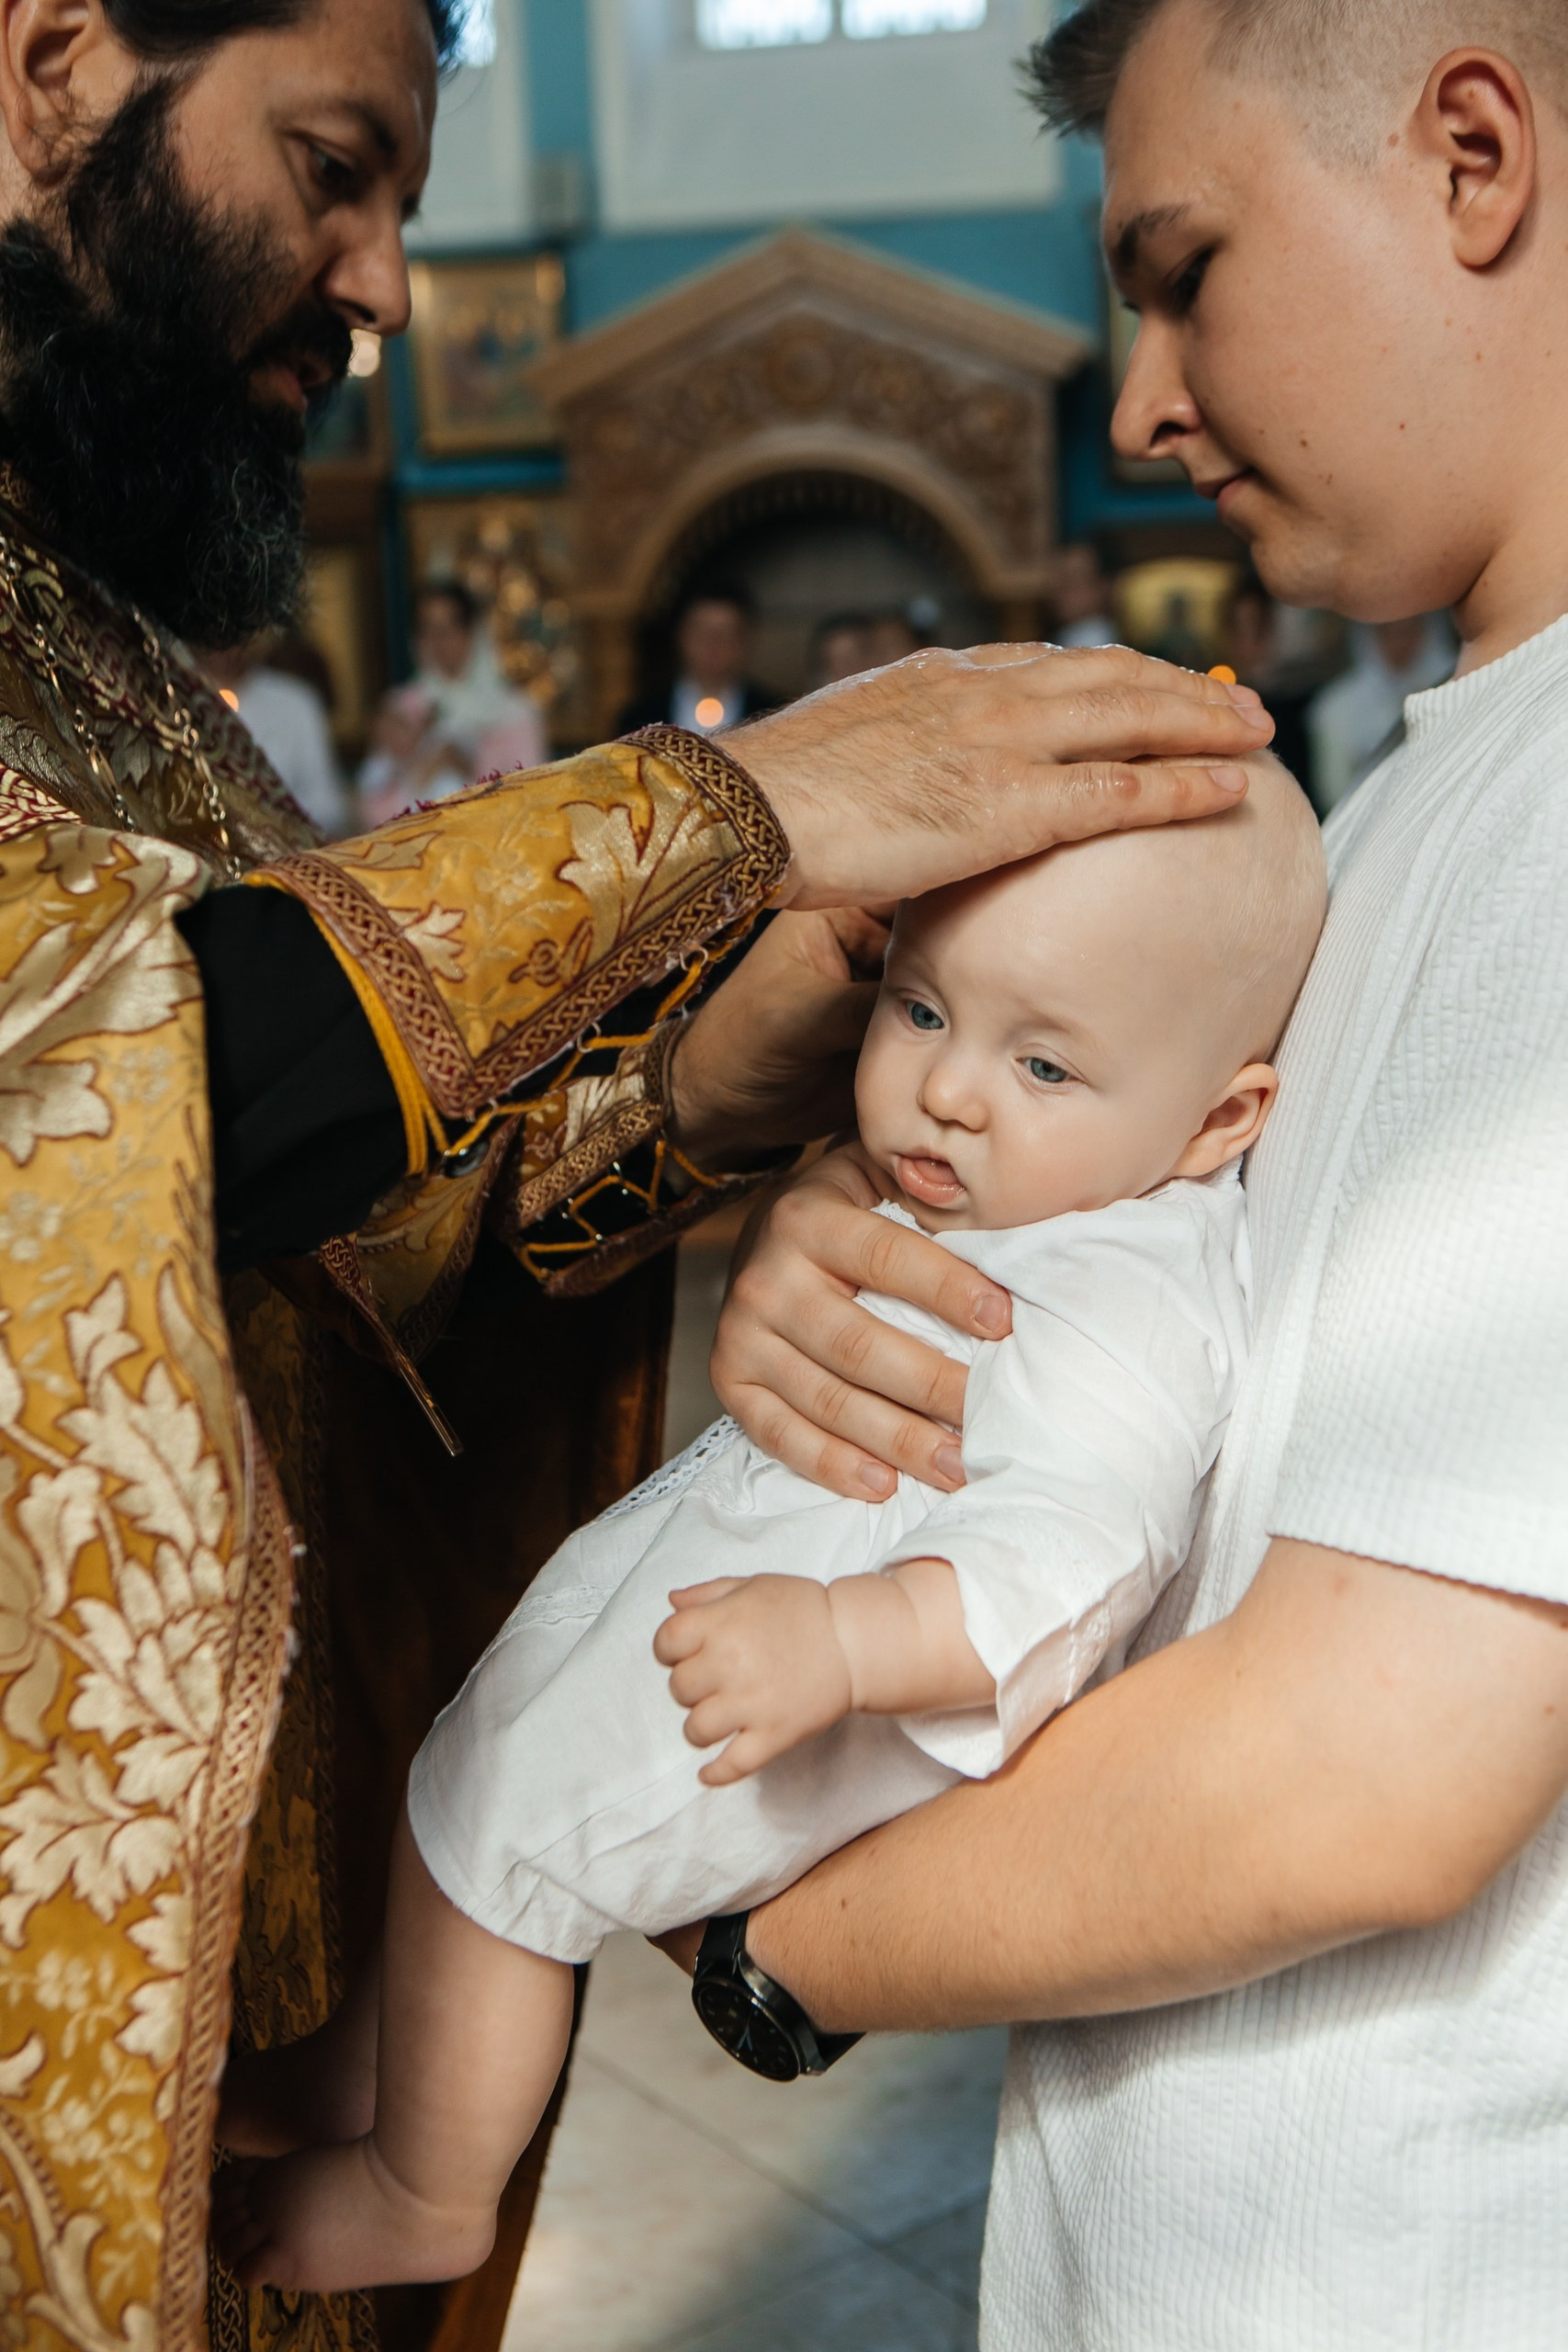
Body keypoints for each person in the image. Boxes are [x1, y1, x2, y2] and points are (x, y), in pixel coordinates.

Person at [0, 0, 1273, 2341]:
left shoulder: (87, 636)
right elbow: (82, 1092)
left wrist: (734, 1087)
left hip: (238, 1938)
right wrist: (732, 806)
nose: (387, 283)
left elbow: (331, 1208)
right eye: (333, 163)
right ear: (54, 58)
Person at [694, 6, 1568, 2349]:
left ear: (1468, 155)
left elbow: (1362, 1762)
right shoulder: (1413, 787)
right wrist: (899, 1254)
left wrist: (760, 1938)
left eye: (1182, 273)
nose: (1140, 405)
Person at [213, 755, 1325, 2292]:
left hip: (796, 1688)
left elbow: (1068, 1563)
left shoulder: (1126, 1317)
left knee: (508, 1853)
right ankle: (360, 2072)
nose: (946, 1090)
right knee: (460, 1794)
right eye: (921, 1009)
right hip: (743, 1606)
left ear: (1218, 1120)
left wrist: (845, 1644)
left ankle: (424, 2186)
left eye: (1041, 1065)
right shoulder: (1059, 1191)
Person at [359, 577, 547, 820]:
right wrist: (420, 770)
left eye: (450, 628)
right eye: (429, 630)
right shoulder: (402, 708)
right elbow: (373, 806)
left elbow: (532, 799)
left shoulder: (514, 711)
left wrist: (463, 767)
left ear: (471, 632)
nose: (441, 641)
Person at [202, 636, 355, 834]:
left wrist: (269, 815)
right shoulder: (176, 699)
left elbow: (328, 805)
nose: (223, 650)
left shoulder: (295, 701)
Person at [1307, 609, 1456, 812]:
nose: (1400, 643)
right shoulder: (1335, 707)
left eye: (1410, 630)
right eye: (1388, 632)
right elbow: (1333, 791)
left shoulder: (1457, 687)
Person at [617, 582, 773, 734]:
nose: (714, 645)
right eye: (701, 633)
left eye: (727, 633)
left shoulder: (771, 718)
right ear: (680, 635)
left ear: (746, 640)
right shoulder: (641, 718)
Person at [1047, 539, 1119, 647]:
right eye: (1058, 581)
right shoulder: (1069, 633)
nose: (1061, 591)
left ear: (1102, 587)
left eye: (1073, 582)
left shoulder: (1094, 641)